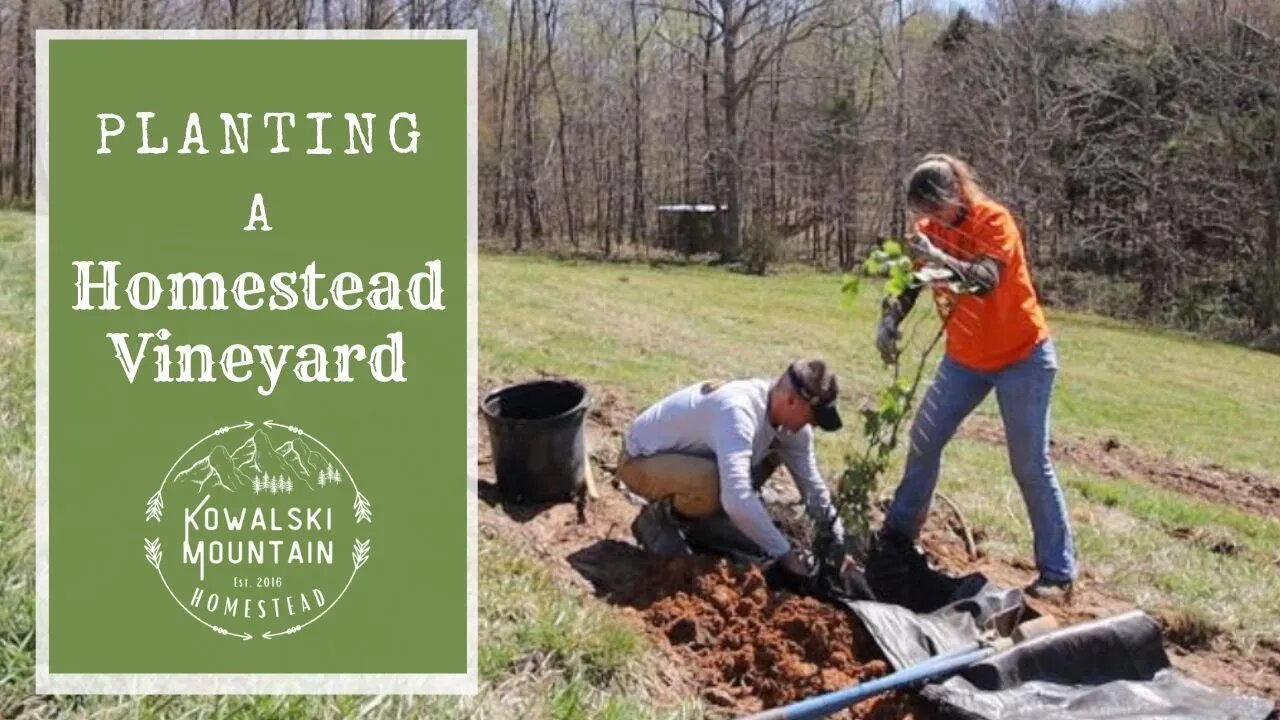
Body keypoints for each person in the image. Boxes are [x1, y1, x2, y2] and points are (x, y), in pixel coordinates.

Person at [868, 153, 1076, 600]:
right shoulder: (928, 230)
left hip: (1023, 357)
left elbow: (983, 281)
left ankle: (1058, 574)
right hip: (965, 360)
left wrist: (940, 255)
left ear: (957, 193)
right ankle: (897, 538)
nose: (929, 220)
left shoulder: (994, 221)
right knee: (924, 439)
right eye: (922, 213)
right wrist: (889, 319)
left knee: (1029, 463)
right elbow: (909, 282)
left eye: (935, 209)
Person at [617, 359, 871, 597]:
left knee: (763, 463)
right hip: (640, 461)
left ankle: (700, 519)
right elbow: (737, 498)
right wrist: (785, 555)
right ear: (792, 401)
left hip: (692, 465)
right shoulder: (739, 411)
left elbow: (813, 488)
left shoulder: (792, 429)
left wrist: (839, 547)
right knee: (715, 484)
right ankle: (659, 520)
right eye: (812, 417)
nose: (812, 426)